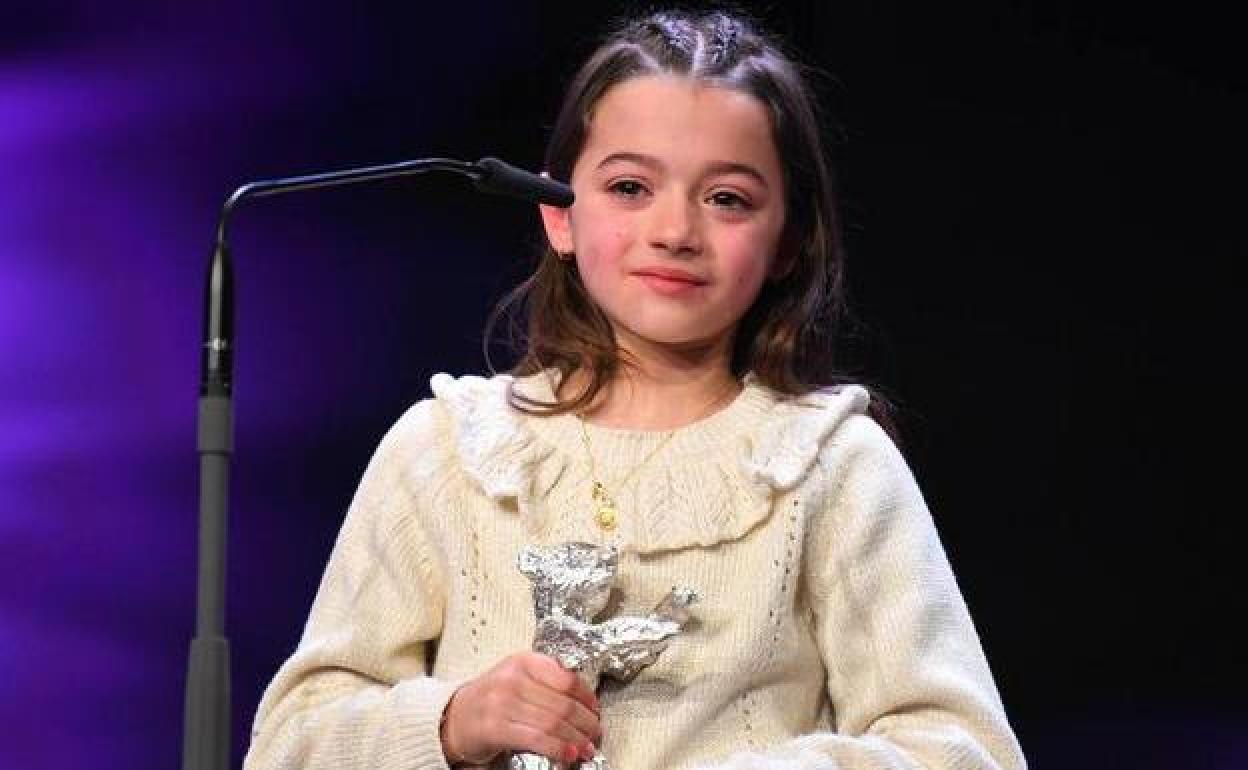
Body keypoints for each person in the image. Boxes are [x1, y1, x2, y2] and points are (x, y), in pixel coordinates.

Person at [244, 8, 1027, 770]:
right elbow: (287, 746)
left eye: (727, 198)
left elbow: (965, 751)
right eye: (628, 187)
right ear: (559, 214)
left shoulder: (831, 466)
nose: (675, 230)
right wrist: (453, 722)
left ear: (788, 239)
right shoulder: (445, 451)